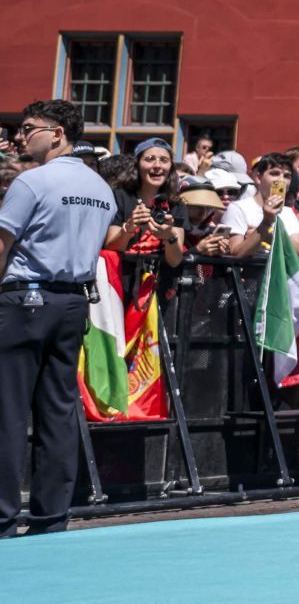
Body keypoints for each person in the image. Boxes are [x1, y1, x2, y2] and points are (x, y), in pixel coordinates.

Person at [0, 101, 119, 535]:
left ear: (57, 133)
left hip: (25, 299)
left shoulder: (32, 182)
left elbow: (2, 242)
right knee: (57, 409)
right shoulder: (100, 188)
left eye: (28, 128)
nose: (18, 136)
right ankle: (51, 516)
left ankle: (2, 515)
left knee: (8, 411)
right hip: (72, 304)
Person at [105, 140, 185, 269]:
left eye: (164, 160)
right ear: (137, 165)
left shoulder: (176, 204)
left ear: (171, 167)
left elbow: (175, 261)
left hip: (159, 283)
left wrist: (169, 235)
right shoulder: (120, 196)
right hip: (122, 281)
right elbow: (111, 246)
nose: (157, 165)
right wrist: (128, 228)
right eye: (150, 159)